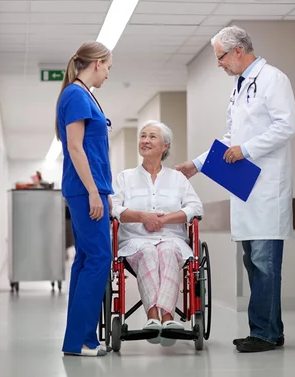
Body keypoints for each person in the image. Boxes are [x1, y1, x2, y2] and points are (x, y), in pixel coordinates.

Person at [175, 26, 295, 353]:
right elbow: (230, 136)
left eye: (220, 58)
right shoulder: (240, 87)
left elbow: (287, 125)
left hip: (268, 187)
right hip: (247, 190)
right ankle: (269, 329)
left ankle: (265, 334)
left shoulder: (273, 79)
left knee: (265, 263)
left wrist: (247, 150)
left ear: (238, 51)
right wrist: (196, 164)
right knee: (253, 262)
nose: (219, 64)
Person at [111, 120, 204, 347]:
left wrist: (165, 219)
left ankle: (167, 318)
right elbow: (114, 207)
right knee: (147, 251)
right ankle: (155, 317)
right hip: (135, 241)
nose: (145, 140)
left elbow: (196, 208)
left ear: (165, 146)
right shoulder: (125, 177)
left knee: (168, 250)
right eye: (143, 136)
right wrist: (143, 217)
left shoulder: (178, 178)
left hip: (172, 238)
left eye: (152, 137)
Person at [56, 41, 114, 357]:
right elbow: (75, 148)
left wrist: (102, 191)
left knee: (84, 261)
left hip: (90, 188)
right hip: (84, 190)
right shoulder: (76, 95)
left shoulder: (82, 95)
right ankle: (83, 340)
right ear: (96, 64)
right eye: (108, 67)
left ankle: (78, 339)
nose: (108, 74)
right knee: (99, 259)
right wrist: (94, 191)